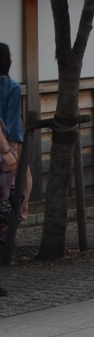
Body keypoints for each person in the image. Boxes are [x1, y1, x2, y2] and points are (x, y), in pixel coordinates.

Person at [0, 42, 31, 225]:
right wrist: (12, 148)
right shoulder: (13, 86)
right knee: (22, 176)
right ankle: (20, 212)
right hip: (10, 138)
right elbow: (12, 119)